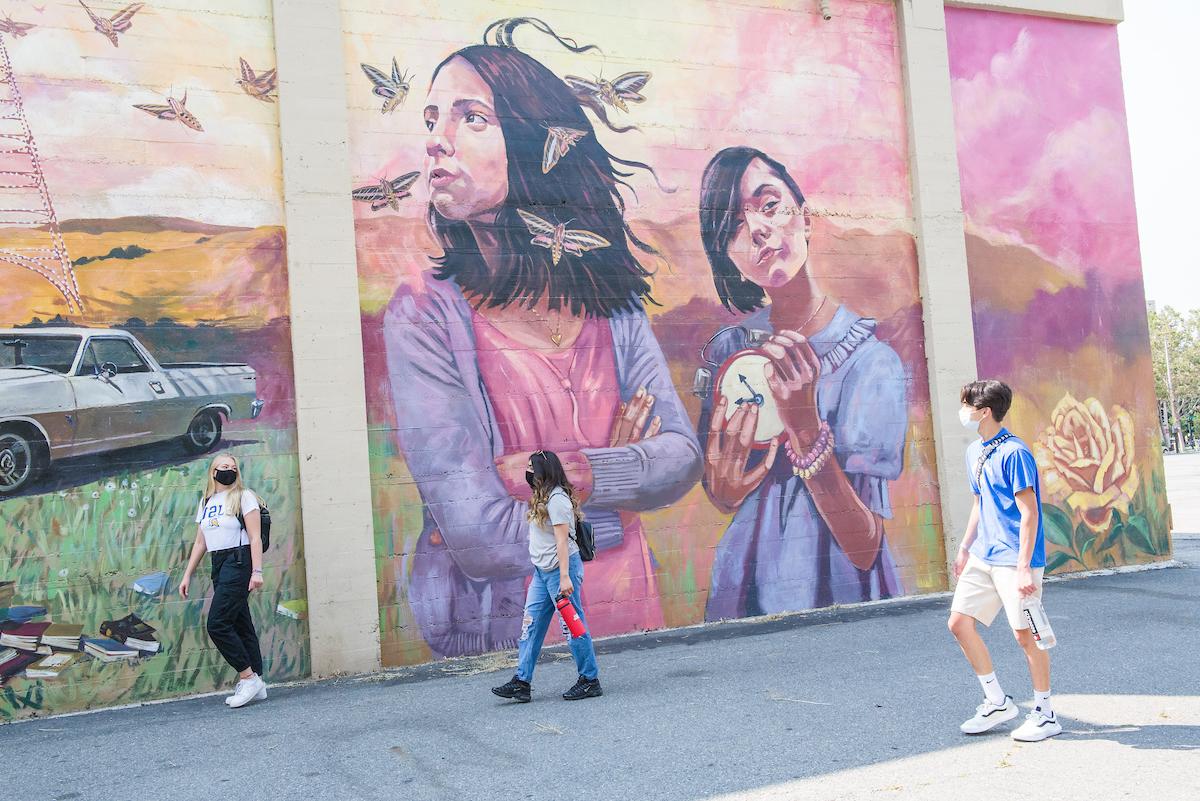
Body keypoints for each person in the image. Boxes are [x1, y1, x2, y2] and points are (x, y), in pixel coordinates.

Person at [383, 21, 702, 658]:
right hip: (506, 638)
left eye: (471, 117)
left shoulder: (613, 301)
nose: (436, 141)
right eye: (430, 119)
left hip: (631, 613)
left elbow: (680, 458)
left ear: (534, 144)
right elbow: (477, 535)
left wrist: (559, 473)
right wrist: (618, 495)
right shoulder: (424, 314)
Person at [695, 146, 907, 620]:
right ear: (728, 257)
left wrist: (806, 428)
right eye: (733, 226)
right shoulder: (732, 351)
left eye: (770, 206)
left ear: (805, 218)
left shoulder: (871, 365)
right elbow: (723, 490)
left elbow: (865, 547)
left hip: (837, 594)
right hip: (741, 591)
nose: (757, 229)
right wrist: (724, 488)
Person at [948, 380, 1060, 741]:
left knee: (1025, 635)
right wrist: (965, 547)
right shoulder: (974, 452)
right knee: (959, 623)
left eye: (966, 405)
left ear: (984, 411)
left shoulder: (1015, 453)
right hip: (984, 554)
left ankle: (1045, 713)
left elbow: (1029, 513)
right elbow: (981, 504)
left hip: (1014, 559)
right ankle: (997, 701)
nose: (962, 411)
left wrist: (1025, 567)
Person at [492, 450, 602, 703]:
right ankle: (522, 682)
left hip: (560, 571)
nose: (528, 471)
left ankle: (589, 680)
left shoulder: (557, 500)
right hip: (542, 574)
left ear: (544, 470)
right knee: (530, 626)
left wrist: (565, 578)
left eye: (532, 467)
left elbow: (562, 542)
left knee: (572, 627)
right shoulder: (541, 497)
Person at [179, 452, 267, 709]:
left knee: (217, 623)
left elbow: (255, 537)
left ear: (237, 472)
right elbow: (200, 542)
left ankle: (247, 677)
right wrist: (187, 574)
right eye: (222, 466)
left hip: (238, 561)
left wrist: (257, 571)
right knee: (240, 622)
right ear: (213, 472)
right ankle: (258, 683)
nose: (228, 469)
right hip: (218, 563)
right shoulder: (207, 501)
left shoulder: (244, 496)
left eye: (232, 466)